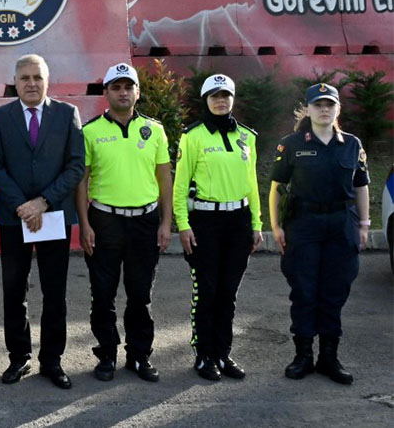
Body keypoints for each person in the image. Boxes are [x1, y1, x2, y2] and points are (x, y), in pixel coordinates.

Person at [0, 55, 84, 389]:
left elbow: (75, 166)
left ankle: (52, 360)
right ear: (15, 81)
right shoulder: (0, 117)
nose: (31, 83)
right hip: (15, 218)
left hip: (53, 214)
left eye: (37, 77)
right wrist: (23, 206)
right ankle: (19, 357)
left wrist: (43, 202)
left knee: (55, 291)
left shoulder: (67, 114)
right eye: (24, 77)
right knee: (15, 290)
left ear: (47, 80)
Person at [75, 62, 172, 383]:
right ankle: (106, 354)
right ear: (106, 93)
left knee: (140, 294)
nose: (123, 92)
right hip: (104, 221)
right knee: (103, 294)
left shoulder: (155, 130)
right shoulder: (90, 131)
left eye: (128, 87)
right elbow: (81, 181)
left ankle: (139, 356)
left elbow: (164, 177)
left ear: (137, 92)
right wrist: (85, 224)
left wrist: (166, 222)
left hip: (145, 221)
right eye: (116, 87)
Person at [269, 83, 370, 385]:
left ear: (338, 109)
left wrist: (364, 224)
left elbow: (361, 186)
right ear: (308, 109)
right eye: (318, 104)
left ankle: (329, 357)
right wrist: (276, 226)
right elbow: (276, 188)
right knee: (304, 290)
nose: (324, 109)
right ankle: (303, 357)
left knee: (335, 291)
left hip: (341, 223)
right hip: (304, 224)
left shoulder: (352, 144)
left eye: (329, 104)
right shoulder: (291, 144)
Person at [173, 74, 262, 381]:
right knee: (207, 291)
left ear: (232, 98)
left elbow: (252, 184)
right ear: (205, 100)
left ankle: (223, 353)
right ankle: (204, 355)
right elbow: (180, 185)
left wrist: (256, 223)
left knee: (228, 293)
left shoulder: (247, 136)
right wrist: (183, 225)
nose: (221, 101)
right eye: (215, 96)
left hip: (239, 221)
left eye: (225, 95)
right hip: (205, 223)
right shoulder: (193, 136)